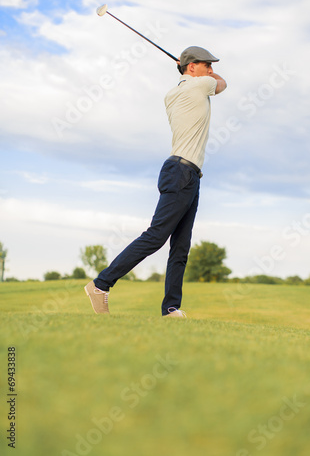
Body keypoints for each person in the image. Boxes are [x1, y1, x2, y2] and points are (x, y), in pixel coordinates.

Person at [85, 46, 227, 317]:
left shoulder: (172, 93)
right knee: (156, 236)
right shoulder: (200, 86)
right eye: (206, 64)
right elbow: (223, 83)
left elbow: (206, 80)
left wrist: (187, 69)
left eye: (211, 64)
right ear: (191, 67)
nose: (210, 68)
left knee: (180, 247)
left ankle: (171, 308)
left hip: (187, 174)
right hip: (181, 172)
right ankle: (101, 284)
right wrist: (203, 74)